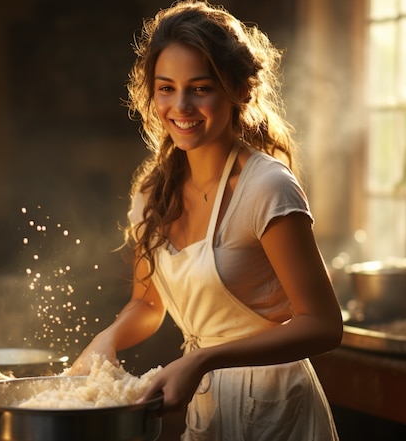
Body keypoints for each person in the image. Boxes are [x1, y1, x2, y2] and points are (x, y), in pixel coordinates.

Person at [67, 1, 343, 439]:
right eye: (165, 88)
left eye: (200, 87)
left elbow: (323, 325)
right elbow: (148, 304)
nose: (181, 105)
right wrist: (108, 340)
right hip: (208, 407)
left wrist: (202, 359)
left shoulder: (267, 188)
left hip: (278, 411)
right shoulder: (151, 193)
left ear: (238, 90)